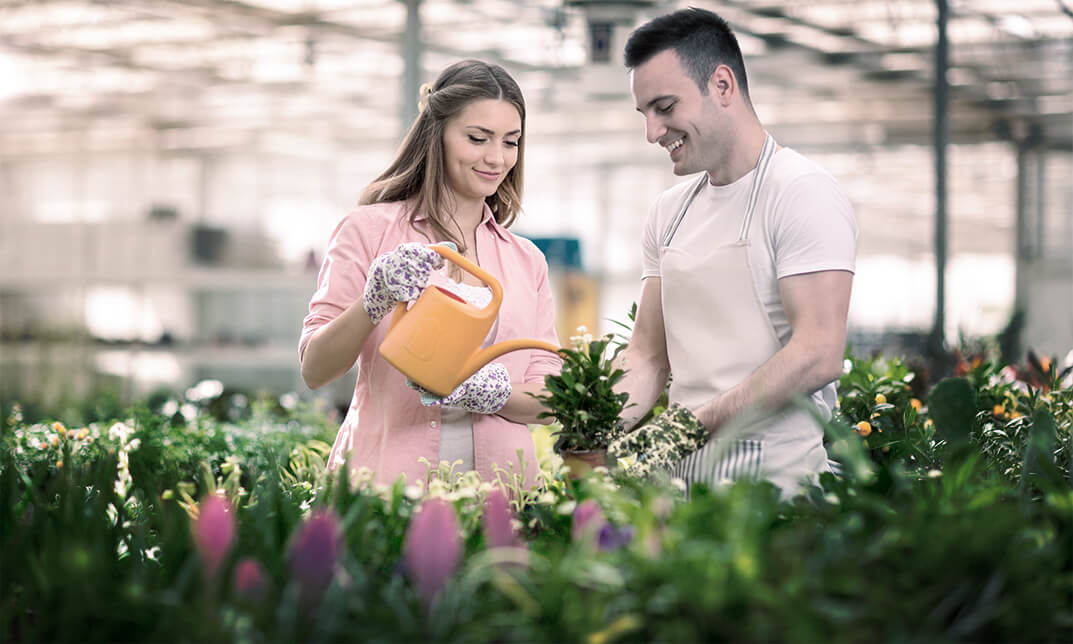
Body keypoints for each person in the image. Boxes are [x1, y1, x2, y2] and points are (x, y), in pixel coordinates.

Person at [607, 8, 859, 497]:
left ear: (722, 85)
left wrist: (694, 425)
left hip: (778, 490)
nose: (653, 132)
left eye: (664, 107)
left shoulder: (801, 192)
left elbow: (818, 352)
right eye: (645, 115)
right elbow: (648, 356)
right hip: (682, 484)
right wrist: (598, 428)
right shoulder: (669, 212)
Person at [299, 60, 561, 487]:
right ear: (436, 133)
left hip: (500, 496)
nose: (496, 158)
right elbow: (315, 369)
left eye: (510, 142)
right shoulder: (368, 230)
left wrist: (493, 392)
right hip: (386, 490)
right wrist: (374, 300)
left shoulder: (526, 260)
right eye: (478, 138)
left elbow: (549, 397)